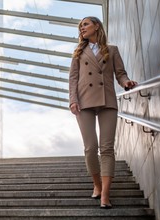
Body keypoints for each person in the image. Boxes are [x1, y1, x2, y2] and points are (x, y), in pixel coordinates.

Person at [68, 16, 137, 209]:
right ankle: (97, 185)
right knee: (90, 148)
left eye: (86, 24)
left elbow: (120, 74)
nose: (82, 28)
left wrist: (126, 83)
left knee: (107, 148)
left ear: (97, 26)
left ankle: (105, 194)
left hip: (107, 100)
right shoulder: (78, 53)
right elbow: (73, 78)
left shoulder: (112, 50)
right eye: (81, 26)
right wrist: (73, 100)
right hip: (84, 101)